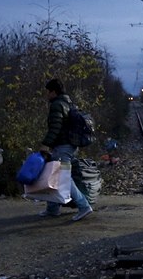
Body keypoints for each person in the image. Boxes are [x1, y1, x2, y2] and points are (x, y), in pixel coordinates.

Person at [38, 78, 93, 221]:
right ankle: (52, 209)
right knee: (55, 176)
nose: (46, 95)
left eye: (47, 92)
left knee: (63, 178)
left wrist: (45, 144)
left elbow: (55, 127)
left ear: (53, 91)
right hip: (70, 146)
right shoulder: (68, 103)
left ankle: (84, 206)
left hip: (63, 147)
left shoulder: (57, 105)